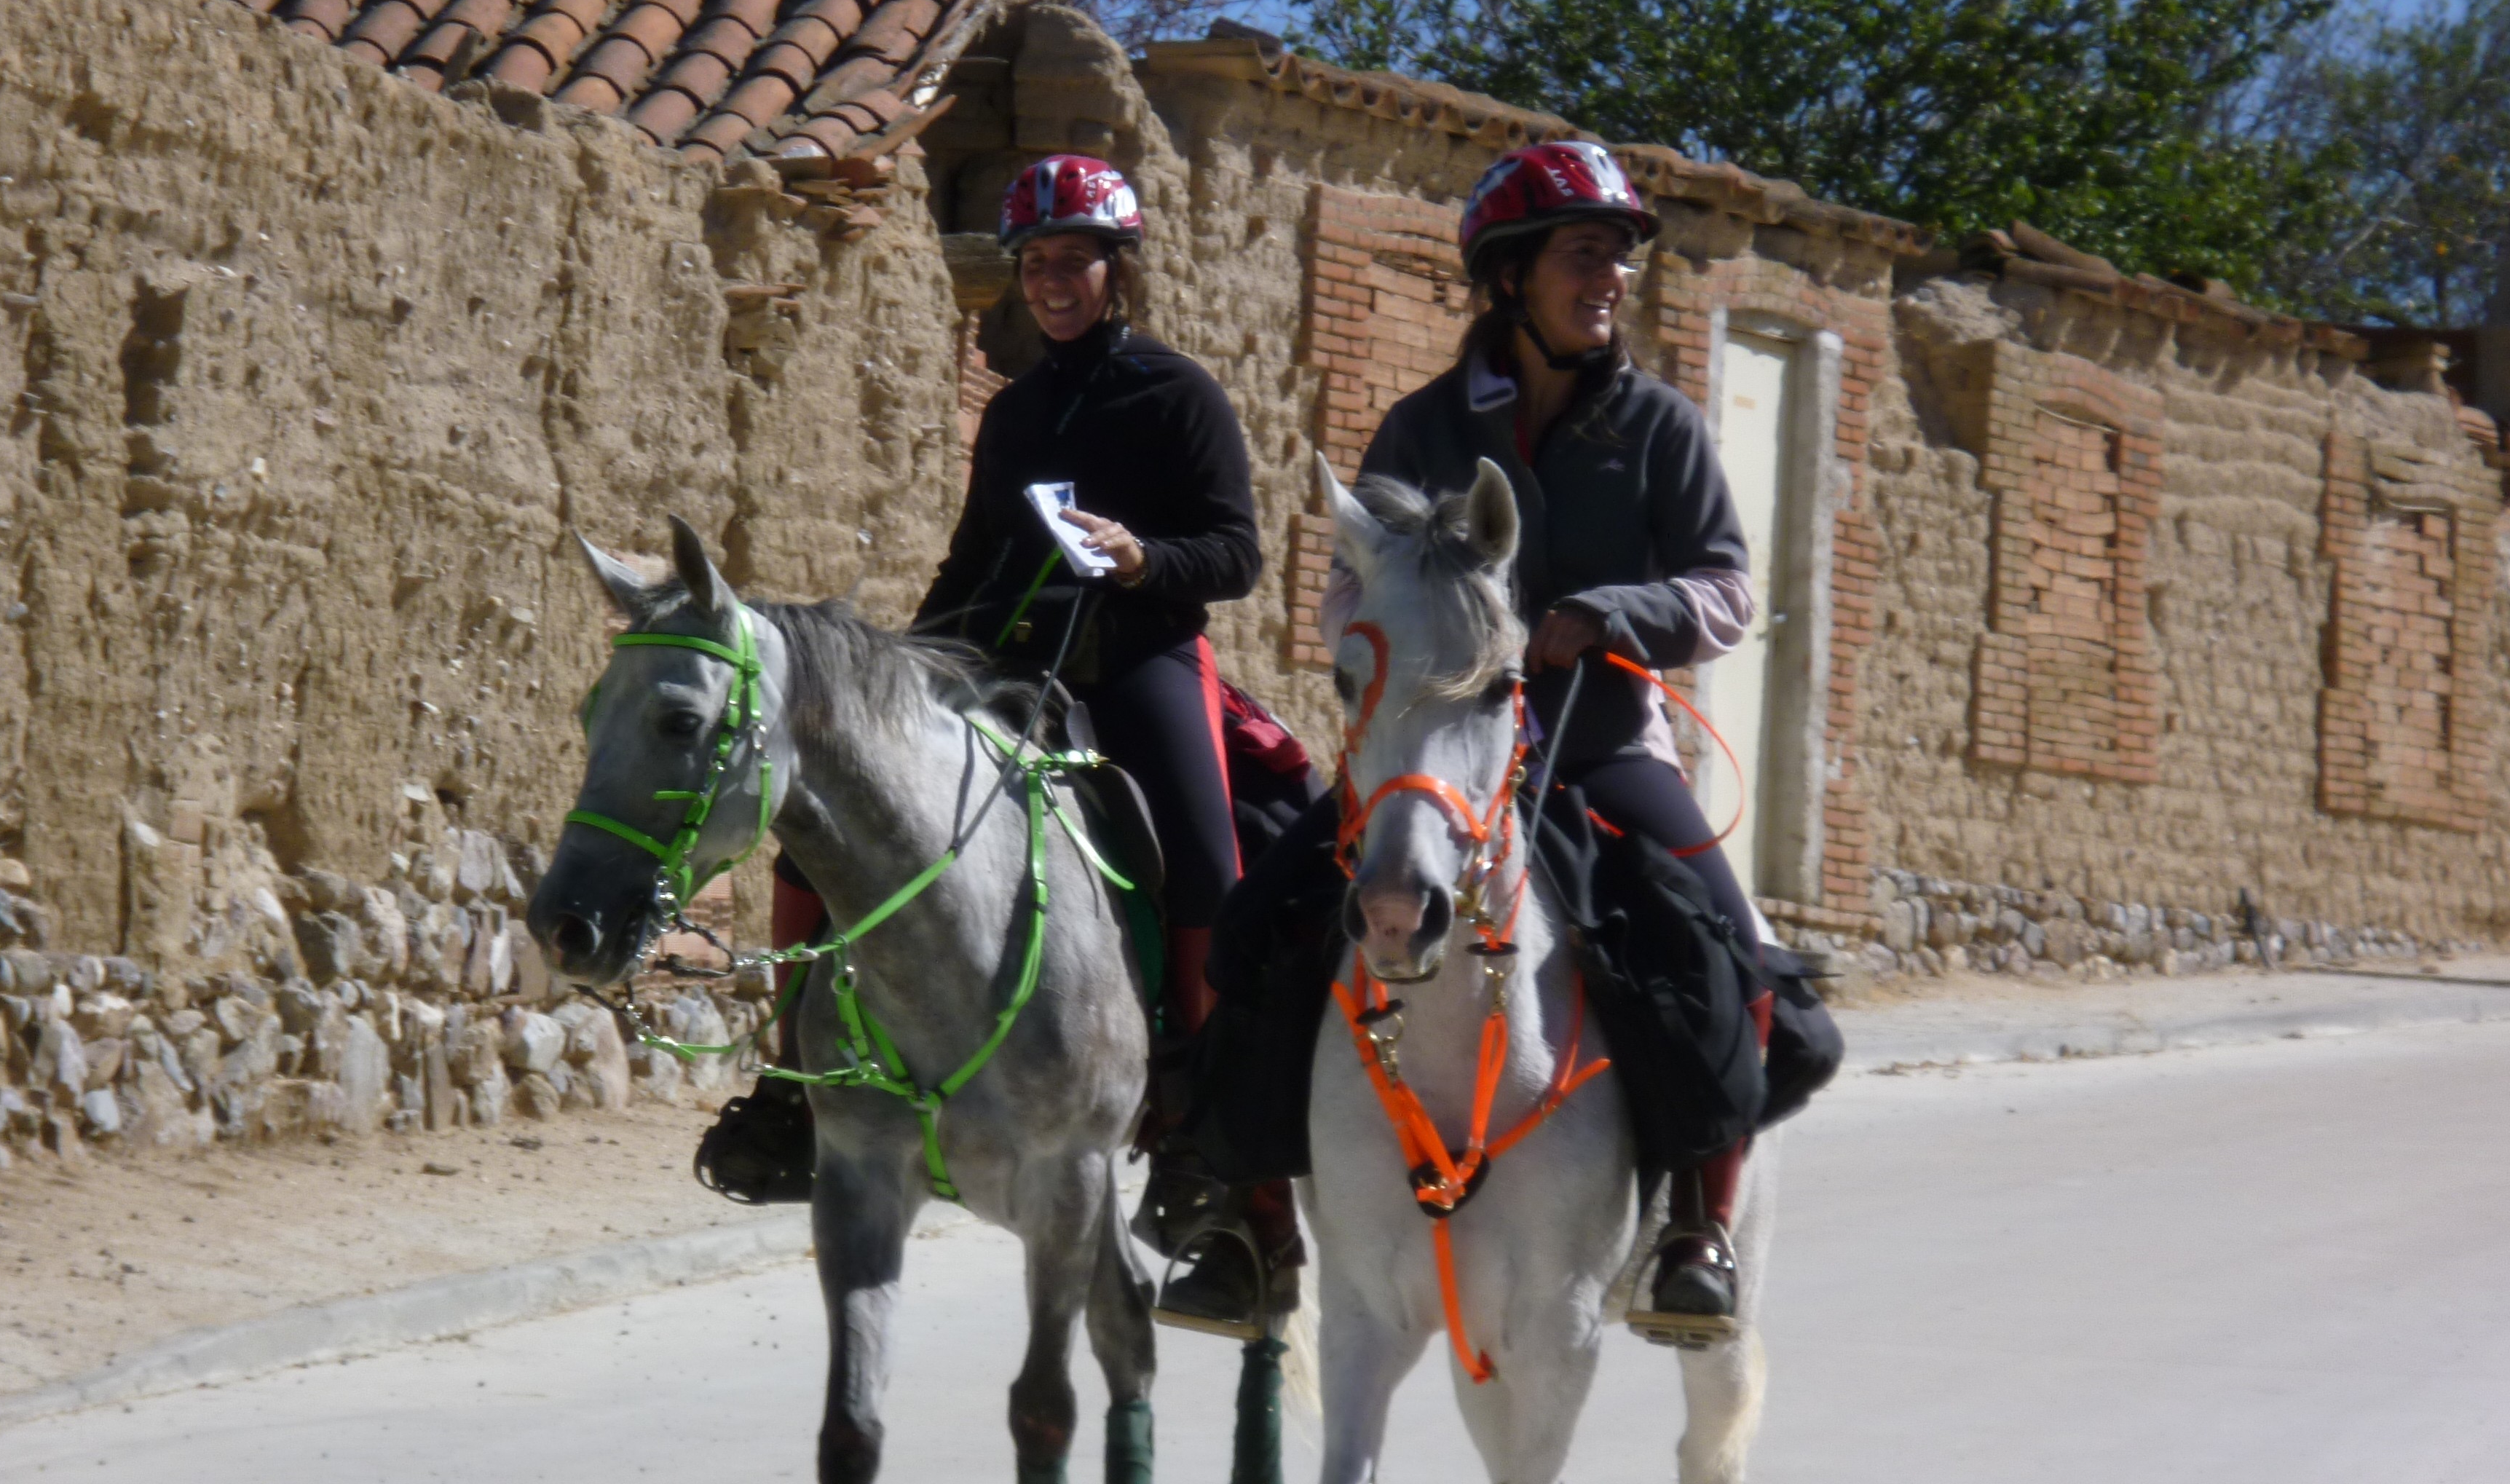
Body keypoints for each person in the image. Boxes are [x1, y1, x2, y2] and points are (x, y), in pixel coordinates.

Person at [699, 154, 1297, 1335]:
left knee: (1208, 864)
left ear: (1117, 271)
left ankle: (1212, 1158)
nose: (1054, 283)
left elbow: (1235, 553)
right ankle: (790, 1085)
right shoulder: (1017, 411)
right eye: (1035, 265)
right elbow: (974, 563)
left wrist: (1142, 560)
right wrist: (901, 668)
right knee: (827, 829)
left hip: (1143, 661)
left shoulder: (1180, 397)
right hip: (1010, 667)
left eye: (1074, 260)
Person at [1361, 138, 1768, 1334]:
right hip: (1440, 767)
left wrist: (1614, 614)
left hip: (1600, 753)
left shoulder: (1659, 427)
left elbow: (1729, 595)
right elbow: (1356, 585)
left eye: (1620, 259)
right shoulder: (1422, 429)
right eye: (1585, 254)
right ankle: (1245, 1207)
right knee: (1275, 921)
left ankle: (1697, 1226)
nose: (1613, 278)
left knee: (1726, 952)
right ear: (1511, 276)